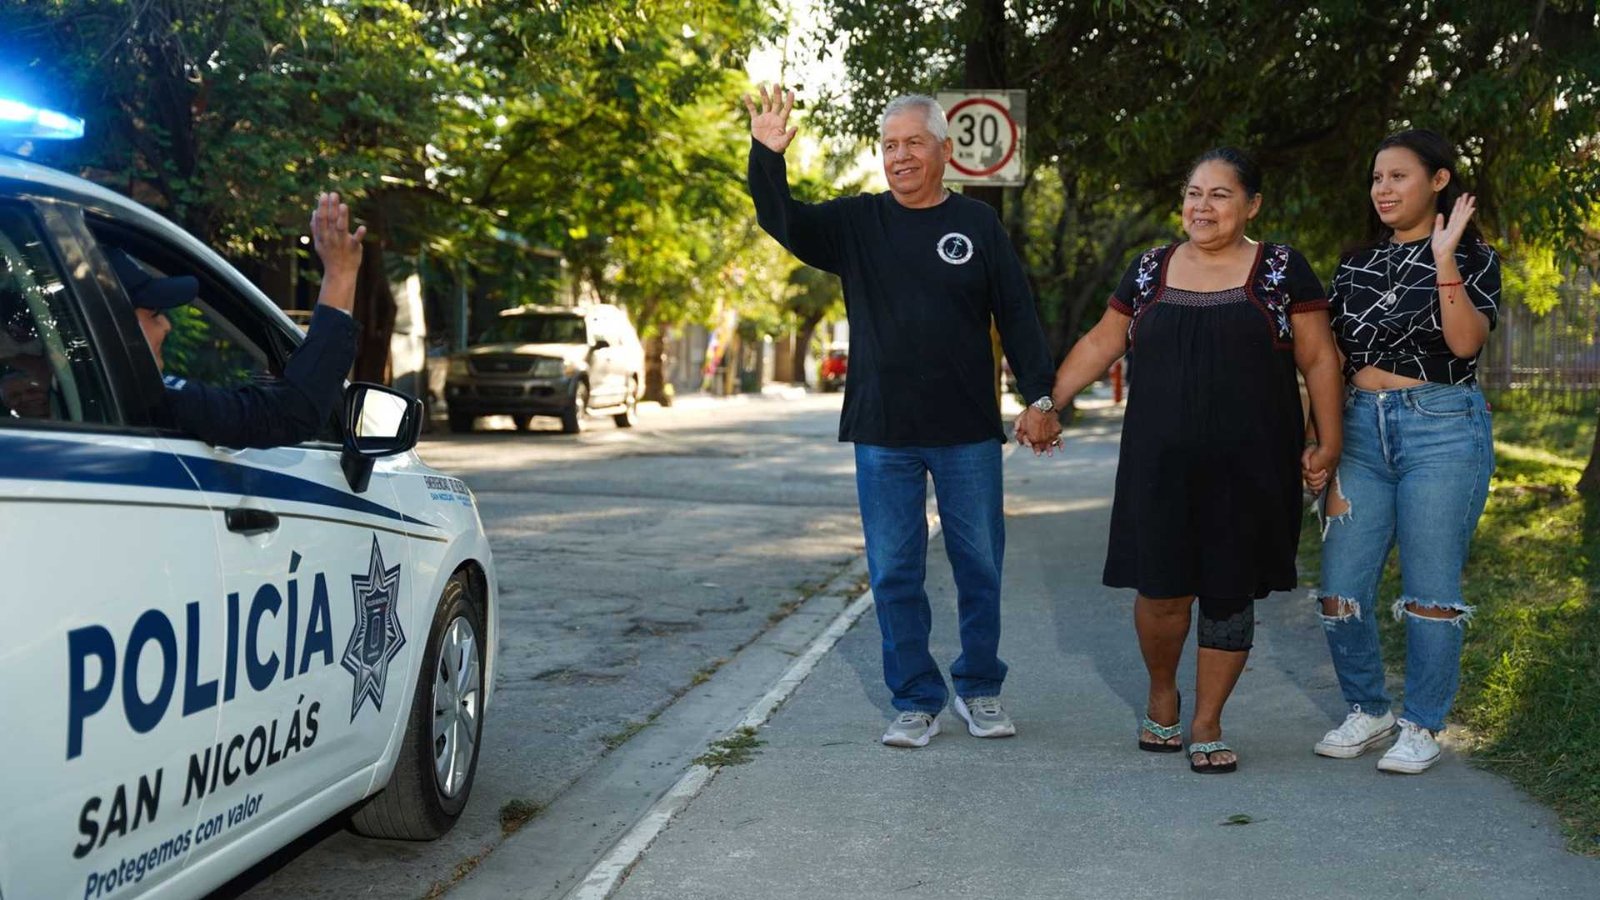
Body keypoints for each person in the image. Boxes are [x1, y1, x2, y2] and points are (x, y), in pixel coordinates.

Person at [743, 86, 1062, 748]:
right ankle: (916, 699)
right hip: (882, 432)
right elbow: (786, 223)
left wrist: (1040, 397)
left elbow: (1018, 314)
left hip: (967, 432)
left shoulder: (977, 226)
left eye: (915, 142)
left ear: (945, 150)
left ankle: (979, 690)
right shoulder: (859, 223)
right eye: (890, 146)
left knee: (980, 567)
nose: (901, 156)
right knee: (893, 571)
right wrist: (766, 156)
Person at [1044, 148, 1344, 773]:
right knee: (1160, 593)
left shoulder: (1282, 269)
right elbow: (1104, 339)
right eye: (1193, 193)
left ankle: (1207, 720)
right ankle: (1162, 691)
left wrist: (1327, 441)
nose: (1201, 206)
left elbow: (1319, 359)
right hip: (1159, 467)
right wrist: (1050, 400)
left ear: (1252, 204)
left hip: (1252, 467)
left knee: (1230, 594)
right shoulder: (1150, 269)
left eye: (1219, 194)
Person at [1305, 130, 1499, 774]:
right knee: (1339, 590)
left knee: (1430, 591)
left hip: (1442, 428)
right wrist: (1320, 440)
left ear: (1438, 181)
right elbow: (1326, 360)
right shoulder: (1355, 264)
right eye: (1376, 179)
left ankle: (1423, 722)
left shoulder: (1473, 257)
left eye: (1398, 177)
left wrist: (1444, 259)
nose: (1382, 190)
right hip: (1361, 432)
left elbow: (1465, 344)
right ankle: (1368, 707)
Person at [117, 192, 366, 448]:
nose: (166, 325)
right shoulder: (150, 402)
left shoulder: (97, 402)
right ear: (116, 325)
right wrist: (340, 274)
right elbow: (289, 414)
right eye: (154, 313)